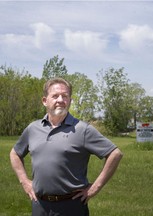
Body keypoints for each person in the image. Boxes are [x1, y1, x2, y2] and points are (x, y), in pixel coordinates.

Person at [10, 77, 123, 216]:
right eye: (55, 96)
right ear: (45, 101)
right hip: (40, 205)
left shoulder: (83, 129)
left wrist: (95, 187)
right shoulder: (33, 128)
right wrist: (24, 181)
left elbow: (115, 154)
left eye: (65, 96)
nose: (60, 100)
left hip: (71, 206)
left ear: (70, 100)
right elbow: (15, 153)